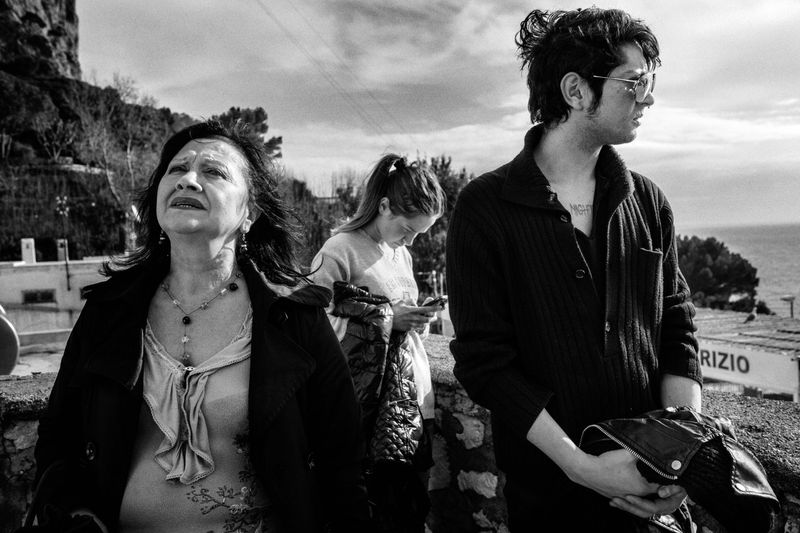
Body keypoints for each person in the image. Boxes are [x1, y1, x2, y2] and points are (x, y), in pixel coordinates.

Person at [32, 120, 370, 533]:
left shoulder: (294, 316)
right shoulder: (109, 311)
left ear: (251, 213)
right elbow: (58, 435)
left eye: (214, 172)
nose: (188, 180)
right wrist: (76, 512)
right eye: (176, 170)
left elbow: (343, 455)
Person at [446, 8, 702, 532]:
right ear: (576, 90)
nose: (648, 97)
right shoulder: (485, 207)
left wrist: (678, 453)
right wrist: (582, 467)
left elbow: (677, 324)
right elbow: (484, 363)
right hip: (549, 500)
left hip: (652, 492)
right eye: (635, 82)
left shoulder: (648, 201)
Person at [309, 154, 445, 532]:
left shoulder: (401, 254)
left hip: (411, 399)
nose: (412, 240)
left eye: (420, 233)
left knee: (406, 509)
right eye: (407, 229)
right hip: (362, 406)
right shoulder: (340, 249)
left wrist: (416, 320)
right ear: (383, 206)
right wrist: (388, 318)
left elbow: (395, 319)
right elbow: (311, 323)